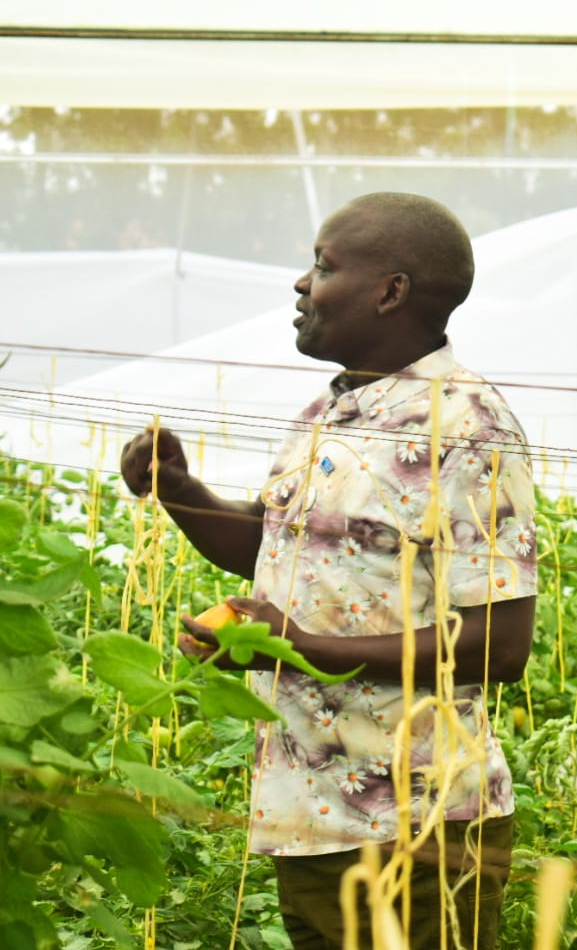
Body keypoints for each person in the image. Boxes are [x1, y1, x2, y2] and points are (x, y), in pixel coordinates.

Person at [120, 192, 536, 950]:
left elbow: (499, 645)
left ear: (390, 292)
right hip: (313, 818)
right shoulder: (334, 409)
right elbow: (277, 548)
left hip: (417, 827)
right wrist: (180, 493)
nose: (301, 285)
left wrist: (304, 649)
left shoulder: (469, 427)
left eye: (323, 265)